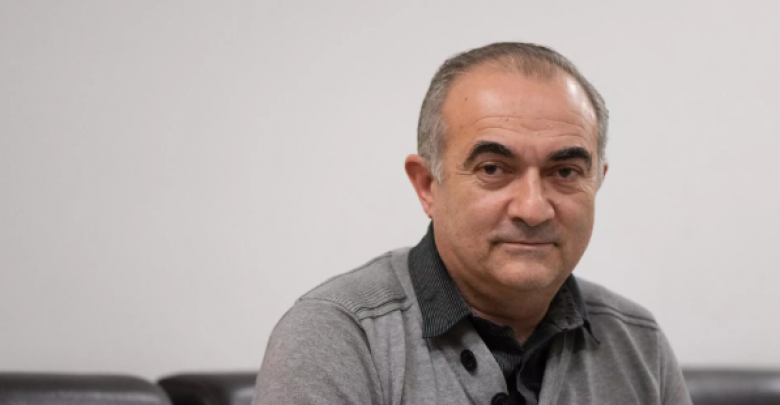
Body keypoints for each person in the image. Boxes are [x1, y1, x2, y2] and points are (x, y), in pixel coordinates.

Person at [254, 42, 692, 405]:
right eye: (493, 169)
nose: (533, 209)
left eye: (565, 172)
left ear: (597, 182)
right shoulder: (340, 337)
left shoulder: (638, 342)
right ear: (428, 185)